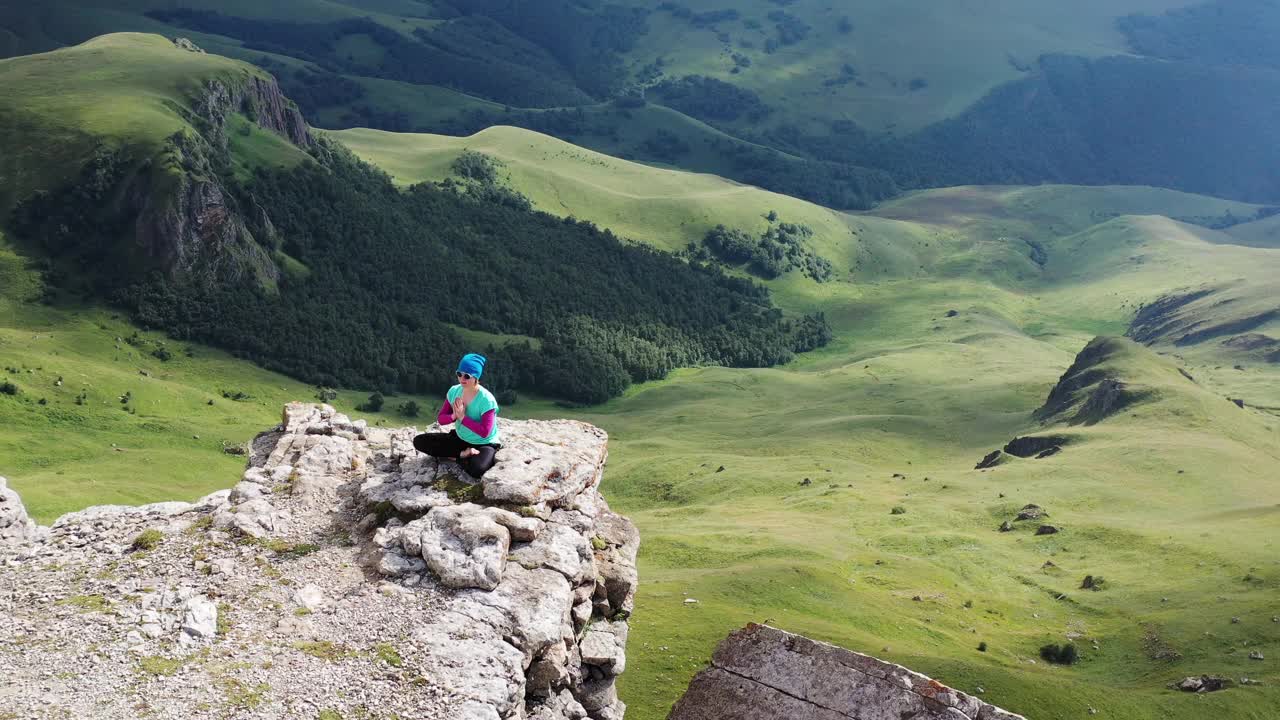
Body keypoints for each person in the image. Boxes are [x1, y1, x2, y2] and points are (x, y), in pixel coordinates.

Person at [412, 353, 501, 478]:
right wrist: (454, 416)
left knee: (478, 469)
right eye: (459, 374)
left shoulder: (486, 400)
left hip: (484, 443)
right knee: (419, 441)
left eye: (467, 376)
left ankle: (457, 456)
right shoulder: (454, 391)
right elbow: (441, 419)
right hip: (460, 438)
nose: (462, 378)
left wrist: (463, 418)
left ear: (476, 377)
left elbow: (485, 431)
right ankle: (462, 454)